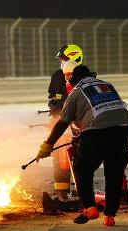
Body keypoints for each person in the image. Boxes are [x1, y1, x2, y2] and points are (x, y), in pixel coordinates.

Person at [37, 65, 128, 226]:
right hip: (123, 131)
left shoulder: (76, 92)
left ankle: (90, 208)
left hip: (96, 133)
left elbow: (62, 123)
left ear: (74, 80)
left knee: (82, 169)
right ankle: (110, 217)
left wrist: (47, 145)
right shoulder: (107, 85)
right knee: (114, 175)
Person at [47, 44, 83, 199]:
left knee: (79, 156)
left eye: (65, 59)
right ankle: (61, 190)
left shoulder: (84, 75)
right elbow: (52, 96)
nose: (61, 62)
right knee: (59, 155)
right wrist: (53, 106)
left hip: (78, 122)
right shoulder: (57, 76)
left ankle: (82, 189)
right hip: (60, 120)